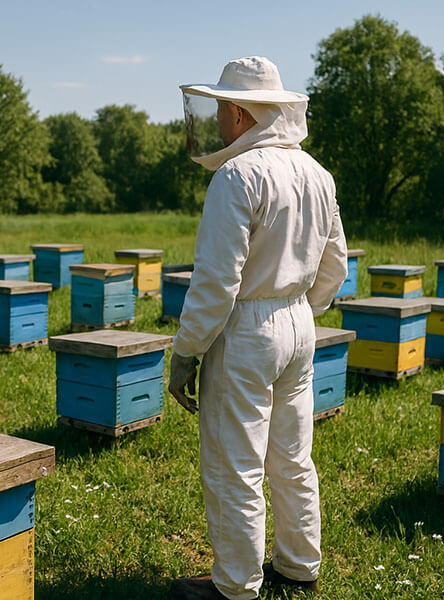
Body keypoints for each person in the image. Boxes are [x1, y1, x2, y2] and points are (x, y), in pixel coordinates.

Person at [168, 56, 348, 600]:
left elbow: (217, 281)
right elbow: (335, 264)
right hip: (298, 324)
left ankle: (235, 587)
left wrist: (186, 351)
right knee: (292, 456)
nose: (219, 120)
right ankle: (298, 564)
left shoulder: (237, 175)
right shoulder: (317, 172)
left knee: (236, 464)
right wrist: (298, 311)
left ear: (242, 115)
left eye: (223, 109)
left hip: (247, 329)